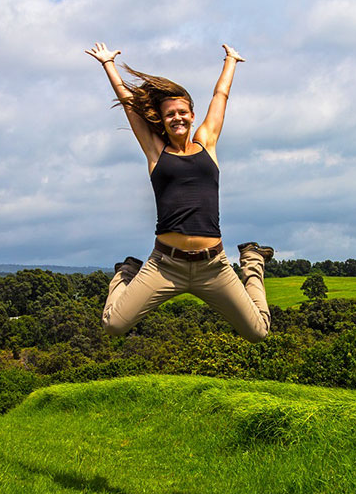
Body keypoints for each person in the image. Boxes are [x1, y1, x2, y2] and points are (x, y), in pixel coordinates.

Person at [84, 41, 274, 342]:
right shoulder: (156, 152)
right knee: (113, 325)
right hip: (165, 265)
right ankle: (126, 272)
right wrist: (108, 65)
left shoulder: (206, 144)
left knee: (258, 332)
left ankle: (252, 260)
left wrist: (230, 61)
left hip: (214, 267)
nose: (177, 118)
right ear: (162, 120)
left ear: (192, 115)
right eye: (170, 114)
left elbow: (220, 96)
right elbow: (130, 107)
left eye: (182, 112)